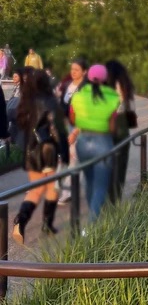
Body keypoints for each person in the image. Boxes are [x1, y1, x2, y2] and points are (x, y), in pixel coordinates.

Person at [12, 70, 68, 243]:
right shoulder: (51, 102)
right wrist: (64, 154)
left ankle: (20, 220)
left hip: (31, 150)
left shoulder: (25, 102)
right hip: (48, 150)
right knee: (52, 188)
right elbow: (59, 131)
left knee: (35, 190)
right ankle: (47, 224)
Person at [69, 64, 120, 222]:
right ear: (105, 79)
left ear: (88, 78)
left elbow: (73, 118)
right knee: (100, 185)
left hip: (83, 142)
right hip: (103, 142)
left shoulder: (78, 96)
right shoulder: (112, 97)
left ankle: (94, 217)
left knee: (89, 181)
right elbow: (112, 125)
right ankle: (91, 228)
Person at [56, 58, 88, 205]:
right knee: (65, 157)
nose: (73, 72)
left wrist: (75, 132)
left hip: (81, 128)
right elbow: (63, 108)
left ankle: (67, 191)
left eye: (77, 70)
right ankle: (59, 187)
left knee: (73, 158)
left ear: (84, 72)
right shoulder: (68, 86)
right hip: (67, 127)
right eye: (72, 69)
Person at [105, 59, 136, 202]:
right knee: (120, 166)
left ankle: (109, 200)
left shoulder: (105, 87)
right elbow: (130, 107)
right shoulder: (124, 86)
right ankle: (115, 198)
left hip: (107, 128)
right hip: (122, 127)